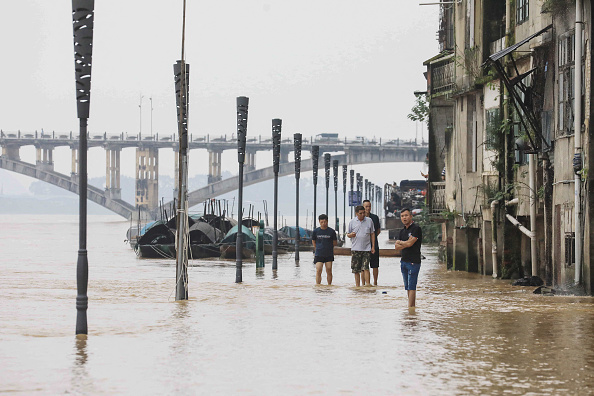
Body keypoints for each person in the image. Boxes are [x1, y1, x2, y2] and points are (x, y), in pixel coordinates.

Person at [394, 208, 423, 307]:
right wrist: (405, 243)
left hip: (413, 262)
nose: (404, 218)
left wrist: (402, 242)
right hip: (404, 261)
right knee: (407, 287)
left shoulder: (416, 228)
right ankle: (410, 310)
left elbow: (410, 243)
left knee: (412, 286)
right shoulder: (402, 231)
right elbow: (396, 247)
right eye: (402, 216)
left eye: (406, 215)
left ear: (411, 216)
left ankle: (411, 309)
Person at [346, 205, 375, 287]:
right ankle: (357, 286)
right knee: (356, 270)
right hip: (355, 249)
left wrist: (373, 246)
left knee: (366, 267)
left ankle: (368, 285)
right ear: (356, 214)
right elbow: (348, 234)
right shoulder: (352, 222)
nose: (362, 215)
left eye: (364, 213)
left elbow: (372, 233)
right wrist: (351, 235)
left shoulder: (369, 221)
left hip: (367, 248)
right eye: (360, 213)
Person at [312, 214, 338, 285]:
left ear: (327, 221)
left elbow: (335, 242)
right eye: (322, 222)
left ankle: (329, 285)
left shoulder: (331, 231)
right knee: (318, 270)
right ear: (319, 222)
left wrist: (329, 247)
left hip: (329, 253)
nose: (324, 223)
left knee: (329, 270)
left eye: (325, 222)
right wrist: (316, 248)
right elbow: (313, 240)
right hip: (319, 253)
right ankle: (318, 285)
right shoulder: (316, 231)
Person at [363, 199, 381, 286]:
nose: (368, 208)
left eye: (369, 206)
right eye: (366, 206)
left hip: (374, 244)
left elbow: (378, 230)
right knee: (364, 266)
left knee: (375, 265)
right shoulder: (360, 218)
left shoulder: (375, 218)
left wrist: (372, 238)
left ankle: (375, 282)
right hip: (363, 245)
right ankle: (365, 284)